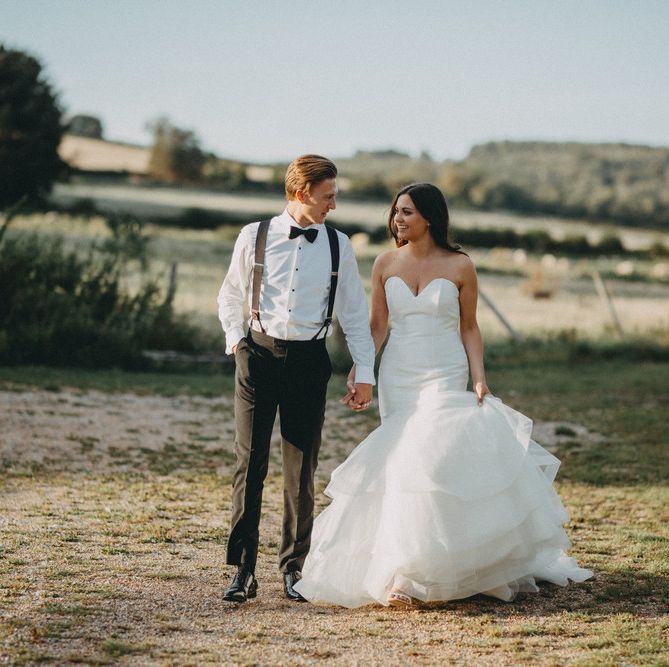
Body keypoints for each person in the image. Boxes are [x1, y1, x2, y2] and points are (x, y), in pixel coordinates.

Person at [294, 183, 592, 607]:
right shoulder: (384, 263)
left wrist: (479, 378)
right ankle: (406, 568)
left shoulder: (460, 266)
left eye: (408, 212)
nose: (398, 219)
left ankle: (419, 576)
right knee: (403, 469)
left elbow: (469, 327)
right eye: (396, 212)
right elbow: (378, 327)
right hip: (399, 373)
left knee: (431, 459)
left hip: (444, 370)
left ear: (430, 217)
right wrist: (363, 372)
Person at [217, 155, 375, 603]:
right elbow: (229, 294)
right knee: (250, 464)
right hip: (258, 357)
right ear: (301, 193)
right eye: (328, 197)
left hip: (310, 361)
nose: (334, 205)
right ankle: (243, 571)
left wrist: (364, 372)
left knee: (300, 468)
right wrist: (237, 344)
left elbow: (354, 316)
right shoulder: (255, 236)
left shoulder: (339, 245)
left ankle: (293, 567)